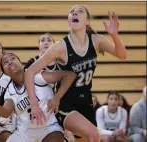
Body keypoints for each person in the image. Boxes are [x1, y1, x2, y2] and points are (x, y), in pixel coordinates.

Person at [24, 4, 126, 142]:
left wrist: (114, 35)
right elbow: (29, 71)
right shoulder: (59, 47)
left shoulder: (96, 40)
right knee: (94, 135)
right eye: (72, 12)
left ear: (87, 21)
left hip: (86, 101)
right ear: (69, 19)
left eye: (80, 11)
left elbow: (122, 55)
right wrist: (34, 104)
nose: (75, 13)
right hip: (66, 103)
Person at [0, 52, 77, 142]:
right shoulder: (10, 91)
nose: (10, 62)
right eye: (5, 62)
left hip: (49, 127)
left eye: (13, 58)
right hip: (25, 132)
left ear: (20, 62)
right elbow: (6, 112)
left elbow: (69, 75)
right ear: (4, 72)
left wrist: (57, 97)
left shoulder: (37, 76)